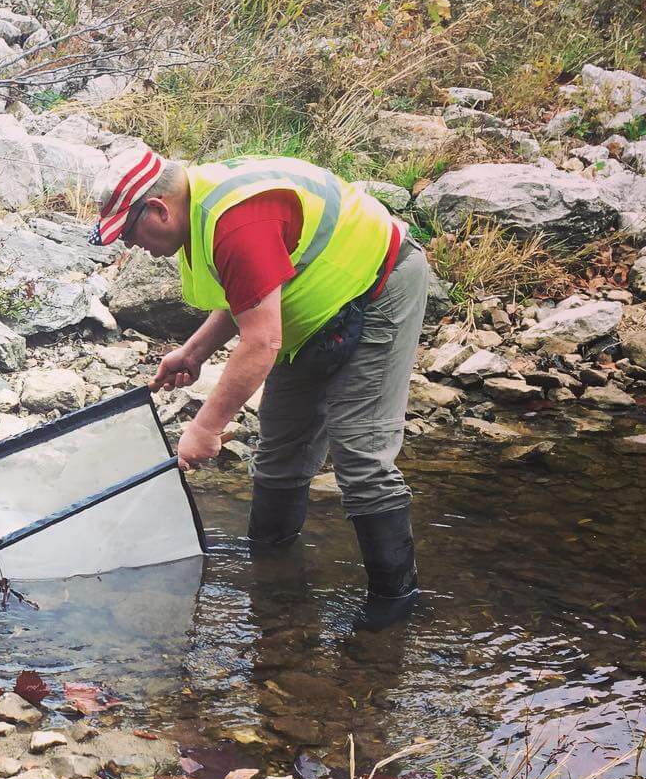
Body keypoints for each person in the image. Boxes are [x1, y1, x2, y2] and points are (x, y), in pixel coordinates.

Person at [90, 146, 428, 629]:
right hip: (314, 308)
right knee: (280, 449)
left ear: (159, 209)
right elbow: (249, 293)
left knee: (360, 455)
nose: (131, 246)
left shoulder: (234, 221)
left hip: (379, 286)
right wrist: (194, 352)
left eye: (129, 232)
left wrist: (206, 428)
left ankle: (394, 607)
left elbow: (263, 341)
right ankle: (273, 573)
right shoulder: (202, 211)